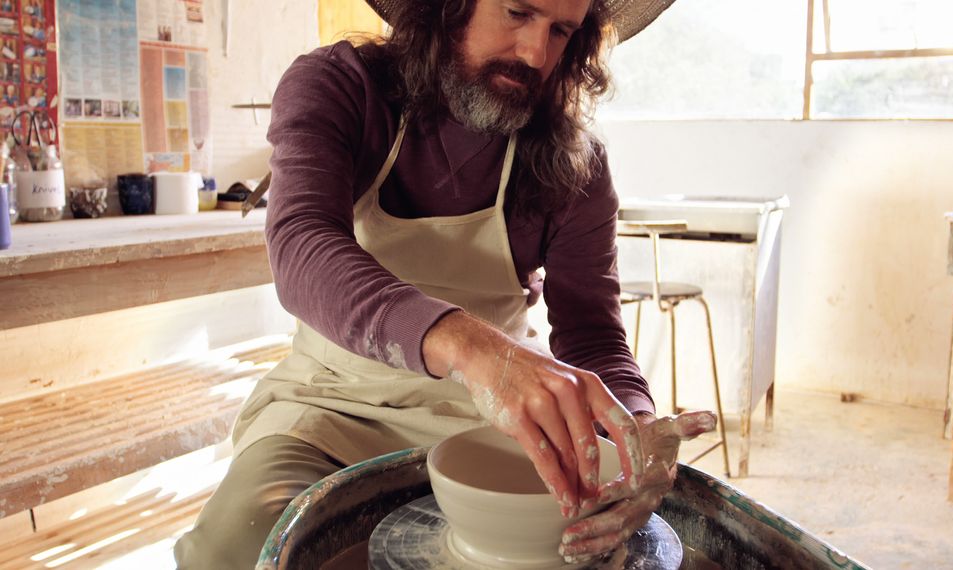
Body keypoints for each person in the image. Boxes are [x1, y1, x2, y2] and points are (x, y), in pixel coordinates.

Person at [174, 0, 716, 568]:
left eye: (560, 31)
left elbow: (593, 335)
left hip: (494, 423)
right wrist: (475, 350)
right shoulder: (341, 87)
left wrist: (637, 427)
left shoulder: (575, 162)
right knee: (234, 549)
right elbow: (302, 246)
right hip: (334, 406)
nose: (536, 53)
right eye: (516, 12)